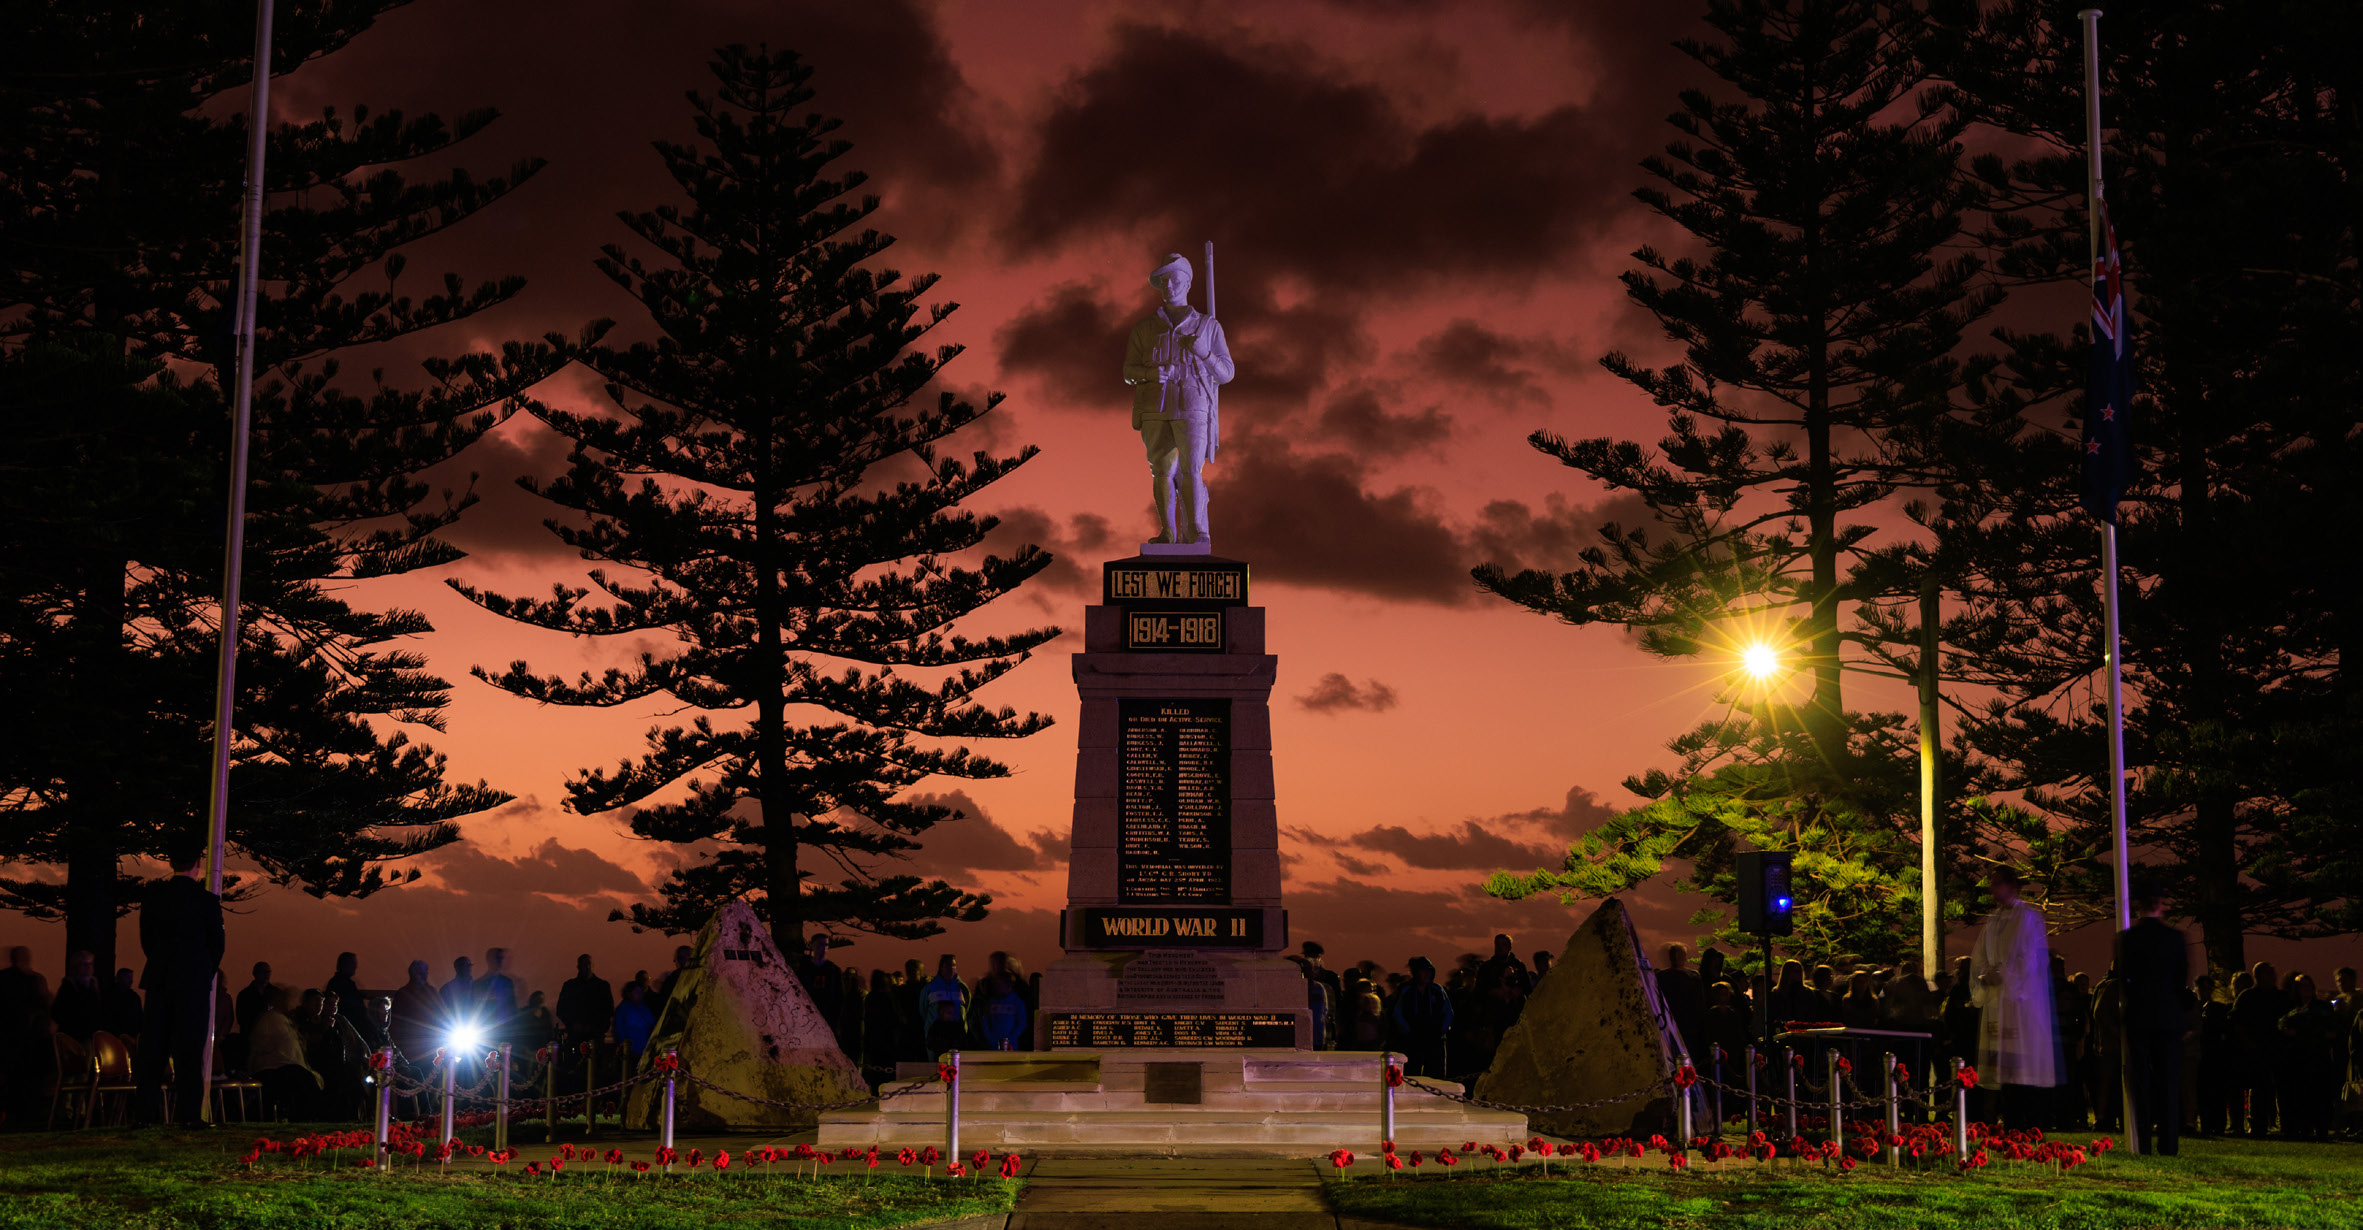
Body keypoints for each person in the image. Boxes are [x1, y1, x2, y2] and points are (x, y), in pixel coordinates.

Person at [1121, 250, 1235, 545]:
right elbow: (1128, 371)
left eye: (1174, 281)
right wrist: (1150, 374)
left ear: (1187, 284)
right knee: (1161, 470)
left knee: (1191, 468)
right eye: (1164, 282)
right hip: (1155, 408)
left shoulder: (1208, 327)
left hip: (1194, 404)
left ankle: (1197, 530)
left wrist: (1203, 352)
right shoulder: (1144, 328)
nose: (1169, 287)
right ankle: (1168, 532)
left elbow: (1226, 373)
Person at [134, 844, 225, 1125]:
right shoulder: (207, 901)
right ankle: (188, 1115)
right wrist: (202, 971)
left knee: (153, 1049)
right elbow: (217, 946)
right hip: (193, 983)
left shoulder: (154, 898)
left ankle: (146, 1115)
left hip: (160, 979)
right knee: (189, 1050)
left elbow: (146, 939)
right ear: (197, 863)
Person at [1970, 867, 2058, 1127]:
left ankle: (2029, 1121)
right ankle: (2009, 1120)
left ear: (2012, 886)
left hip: (2021, 1001)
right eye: (1991, 884)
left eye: (1998, 884)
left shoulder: (2028, 916)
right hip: (1998, 999)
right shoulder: (1993, 919)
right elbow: (1980, 956)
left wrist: (2006, 974)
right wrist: (1985, 974)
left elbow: (2033, 957)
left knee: (2021, 1063)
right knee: (2003, 1067)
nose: (1993, 890)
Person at [2115, 883, 2188, 1153]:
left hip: (2138, 1015)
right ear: (2161, 904)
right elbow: (2181, 981)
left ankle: (2142, 1142)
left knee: (2139, 1083)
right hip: (2167, 1017)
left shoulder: (2126, 938)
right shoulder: (2175, 939)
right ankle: (2169, 1144)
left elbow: (2124, 979)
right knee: (2168, 1083)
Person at [244, 985, 319, 1120]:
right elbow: (285, 1051)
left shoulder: (282, 1020)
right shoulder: (272, 1019)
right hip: (271, 1069)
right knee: (302, 1078)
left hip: (280, 1066)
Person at [2278, 974, 2337, 1140]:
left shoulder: (2322, 1008)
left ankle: (2321, 1128)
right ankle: (2303, 1127)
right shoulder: (2290, 1007)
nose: (2307, 989)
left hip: (2317, 1056)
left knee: (2320, 1094)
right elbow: (2282, 1027)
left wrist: (2303, 1033)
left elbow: (2330, 1031)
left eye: (2309, 986)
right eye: (2303, 986)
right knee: (2300, 1094)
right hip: (2297, 1058)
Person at [2231, 961, 2287, 1136]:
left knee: (2277, 1087)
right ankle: (2259, 1123)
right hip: (2258, 1048)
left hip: (2274, 1047)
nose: (2273, 976)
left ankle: (2276, 1123)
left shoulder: (2278, 997)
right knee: (2259, 1087)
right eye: (2269, 973)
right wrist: (2249, 1043)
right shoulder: (2249, 997)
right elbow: (2237, 1022)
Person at [1392, 956, 1453, 1079]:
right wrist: (1406, 1030)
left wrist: (1442, 1029)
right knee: (1411, 1072)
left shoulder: (1438, 990)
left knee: (1436, 1074)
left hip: (1435, 1039)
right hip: (1413, 1039)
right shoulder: (1406, 990)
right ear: (1416, 972)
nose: (1427, 974)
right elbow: (1397, 1011)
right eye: (1423, 970)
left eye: (1429, 971)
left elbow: (1448, 1012)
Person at [1655, 943, 1705, 1057]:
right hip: (1672, 1023)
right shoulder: (1662, 976)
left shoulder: (1693, 976)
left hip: (1687, 1024)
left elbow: (1699, 1003)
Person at [325, 952, 381, 1048]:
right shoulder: (344, 985)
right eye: (353, 963)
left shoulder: (338, 983)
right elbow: (353, 1009)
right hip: (351, 1029)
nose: (355, 966)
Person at [556, 954, 614, 1045]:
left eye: (588, 964)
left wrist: (573, 1025)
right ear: (578, 966)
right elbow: (561, 1009)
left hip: (589, 1034)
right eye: (584, 964)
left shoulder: (570, 986)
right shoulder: (602, 986)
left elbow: (608, 1010)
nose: (587, 966)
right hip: (586, 1034)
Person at [389, 960, 440, 1062]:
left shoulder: (404, 993)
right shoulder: (405, 993)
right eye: (424, 971)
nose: (426, 974)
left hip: (420, 1042)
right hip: (415, 1042)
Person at [52, 950, 104, 1042]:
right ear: (76, 966)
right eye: (84, 964)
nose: (88, 967)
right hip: (74, 1036)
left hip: (91, 1035)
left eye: (90, 964)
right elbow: (59, 1012)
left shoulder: (94, 986)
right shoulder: (68, 987)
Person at [974, 974, 1030, 1051]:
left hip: (1010, 1046)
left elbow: (1021, 1023)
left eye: (1000, 985)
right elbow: (985, 1020)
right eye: (996, 985)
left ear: (1008, 985)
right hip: (993, 1045)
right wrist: (989, 1037)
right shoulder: (991, 1003)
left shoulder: (1017, 1003)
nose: (998, 987)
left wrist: (1011, 1037)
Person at [234, 961, 278, 1040]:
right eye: (263, 972)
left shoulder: (276, 993)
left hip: (270, 1037)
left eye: (268, 972)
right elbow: (242, 1018)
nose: (266, 975)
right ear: (255, 974)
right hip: (251, 1036)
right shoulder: (244, 995)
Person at [613, 982, 656, 1062]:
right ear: (629, 994)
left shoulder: (645, 1009)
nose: (640, 995)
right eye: (637, 992)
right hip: (630, 1052)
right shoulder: (623, 1009)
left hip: (644, 1051)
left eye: (640, 992)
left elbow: (652, 1027)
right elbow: (619, 1030)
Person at [478, 948, 518, 1028]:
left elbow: (512, 1006)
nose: (500, 961)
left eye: (501, 958)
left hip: (504, 1028)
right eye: (497, 958)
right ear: (489, 960)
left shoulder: (508, 982)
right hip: (487, 1028)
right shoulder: (479, 984)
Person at [439, 955, 479, 1029]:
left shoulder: (478, 987)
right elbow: (441, 1011)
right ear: (457, 968)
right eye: (465, 965)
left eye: (469, 965)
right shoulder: (447, 989)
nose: (468, 968)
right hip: (454, 1027)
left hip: (475, 1026)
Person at [104, 968, 144, 1038]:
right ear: (118, 978)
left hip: (130, 1034)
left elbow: (139, 1016)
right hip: (115, 1033)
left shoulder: (134, 997)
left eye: (131, 978)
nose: (131, 981)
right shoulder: (110, 995)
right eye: (128, 977)